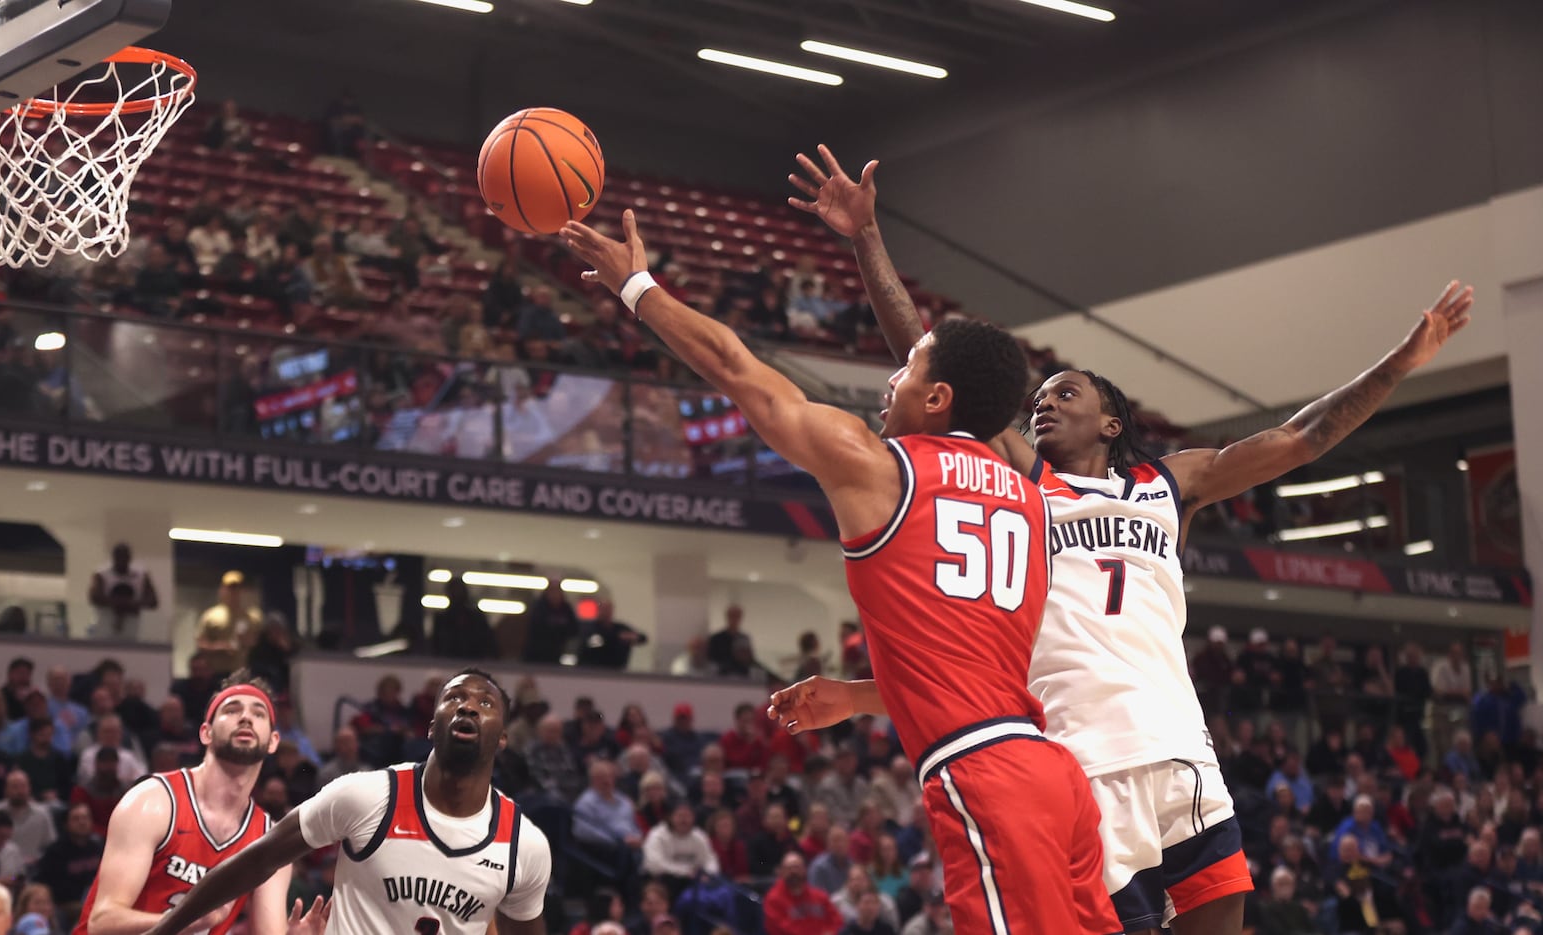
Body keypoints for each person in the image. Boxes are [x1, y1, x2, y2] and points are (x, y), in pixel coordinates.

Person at [783, 143, 1475, 935]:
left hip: (1181, 747)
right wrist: (866, 238)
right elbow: (927, 354)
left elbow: (1303, 436)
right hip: (1080, 758)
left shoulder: (1171, 482)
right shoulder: (1019, 479)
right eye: (1036, 398)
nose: (1043, 405)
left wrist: (1404, 360)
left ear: (1111, 420)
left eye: (1063, 392)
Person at [562, 210, 1117, 933]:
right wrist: (859, 697)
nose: (892, 378)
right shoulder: (1033, 500)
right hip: (1052, 774)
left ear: (939, 397)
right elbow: (968, 662)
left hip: (984, 773)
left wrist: (635, 285)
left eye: (909, 366)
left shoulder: (881, 466)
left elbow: (742, 373)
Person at [142, 668, 549, 935]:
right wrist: (162, 932)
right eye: (455, 697)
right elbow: (257, 860)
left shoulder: (523, 846)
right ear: (430, 726)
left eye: (485, 703)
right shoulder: (366, 796)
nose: (468, 707)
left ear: (502, 738)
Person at [69, 673, 320, 935]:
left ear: (273, 742)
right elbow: (103, 922)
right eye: (232, 710)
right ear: (206, 733)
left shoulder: (269, 839)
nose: (245, 717)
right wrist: (184, 920)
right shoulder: (153, 801)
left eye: (258, 714)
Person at [87, 543, 158, 640]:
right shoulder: (102, 574)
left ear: (129, 558)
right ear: (114, 558)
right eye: (119, 557)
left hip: (132, 622)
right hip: (106, 621)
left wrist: (121, 603)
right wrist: (126, 604)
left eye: (125, 557)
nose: (122, 561)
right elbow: (94, 597)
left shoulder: (141, 575)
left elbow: (153, 601)